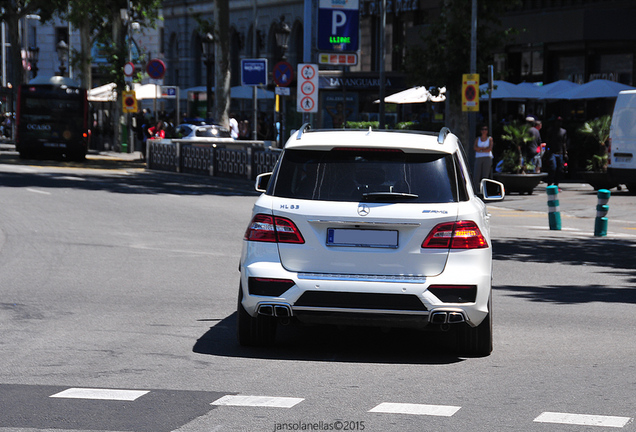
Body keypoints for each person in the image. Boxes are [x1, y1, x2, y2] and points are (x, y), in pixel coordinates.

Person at [544, 116, 568, 188]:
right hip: (552, 152)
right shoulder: (551, 130)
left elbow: (564, 143)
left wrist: (565, 153)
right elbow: (547, 142)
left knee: (559, 169)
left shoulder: (563, 131)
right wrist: (546, 151)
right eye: (558, 121)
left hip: (560, 152)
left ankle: (556, 184)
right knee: (553, 168)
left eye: (560, 121)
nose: (559, 123)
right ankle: (550, 182)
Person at [473, 125, 494, 192]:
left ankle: (484, 190)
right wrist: (484, 148)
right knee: (476, 174)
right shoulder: (477, 139)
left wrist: (480, 149)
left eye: (485, 129)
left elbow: (489, 149)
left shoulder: (490, 139)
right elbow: (475, 148)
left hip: (487, 158)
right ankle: (476, 190)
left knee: (485, 175)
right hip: (478, 157)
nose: (484, 131)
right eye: (482, 129)